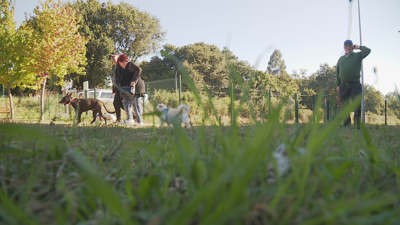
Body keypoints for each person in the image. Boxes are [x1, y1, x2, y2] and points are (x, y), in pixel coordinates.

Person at [336, 40, 371, 129]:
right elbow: (337, 72)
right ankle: (346, 123)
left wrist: (358, 47)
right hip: (343, 85)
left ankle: (357, 124)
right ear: (344, 48)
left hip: (354, 84)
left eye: (350, 46)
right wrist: (338, 85)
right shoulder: (341, 59)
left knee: (356, 105)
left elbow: (368, 51)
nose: (348, 47)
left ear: (352, 47)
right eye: (346, 46)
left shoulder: (357, 56)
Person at [117, 54, 146, 126]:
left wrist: (133, 81)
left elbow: (139, 69)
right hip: (136, 88)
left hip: (134, 89)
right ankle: (139, 122)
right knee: (136, 104)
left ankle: (130, 119)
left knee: (125, 102)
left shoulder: (130, 64)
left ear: (125, 61)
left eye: (121, 63)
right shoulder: (127, 67)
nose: (121, 65)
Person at [110, 52, 124, 122]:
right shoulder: (114, 67)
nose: (112, 58)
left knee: (116, 103)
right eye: (111, 57)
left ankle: (118, 119)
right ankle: (133, 115)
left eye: (113, 56)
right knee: (121, 103)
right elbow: (114, 79)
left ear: (118, 57)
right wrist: (113, 89)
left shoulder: (121, 65)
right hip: (117, 88)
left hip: (121, 88)